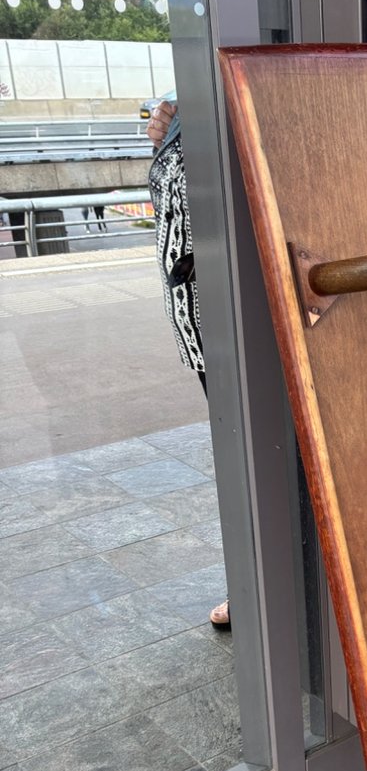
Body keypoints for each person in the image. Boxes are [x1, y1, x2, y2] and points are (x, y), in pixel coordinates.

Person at [146, 96, 230, 629]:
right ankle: (256, 576)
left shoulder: (224, 94)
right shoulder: (187, 104)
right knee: (240, 454)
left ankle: (263, 581)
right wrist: (164, 138)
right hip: (204, 323)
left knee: (253, 455)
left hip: (224, 317)